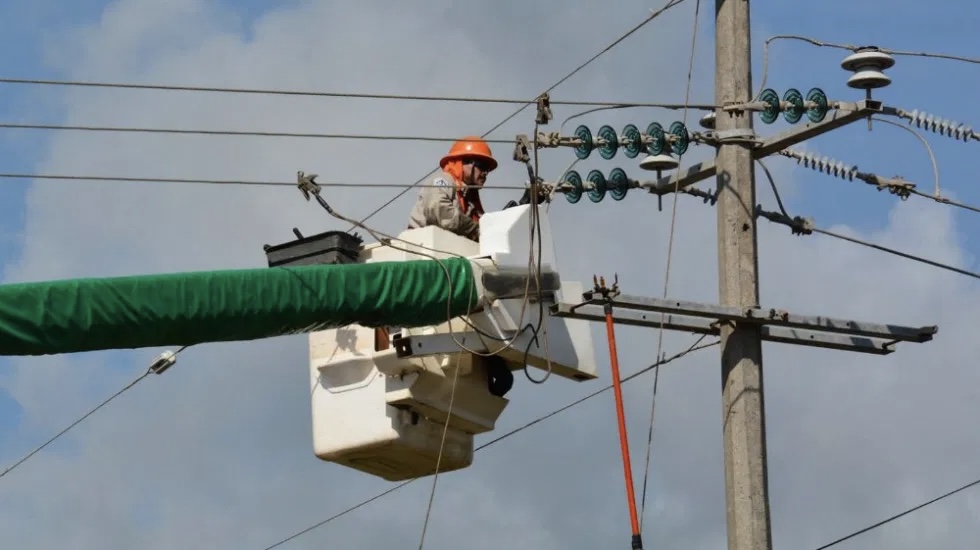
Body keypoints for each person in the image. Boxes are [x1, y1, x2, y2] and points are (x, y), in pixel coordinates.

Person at [407, 136, 498, 242]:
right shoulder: (443, 181)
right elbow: (439, 210)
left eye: (487, 169)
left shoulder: (470, 199)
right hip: (421, 246)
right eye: (482, 166)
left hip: (447, 249)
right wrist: (474, 229)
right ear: (462, 162)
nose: (485, 173)